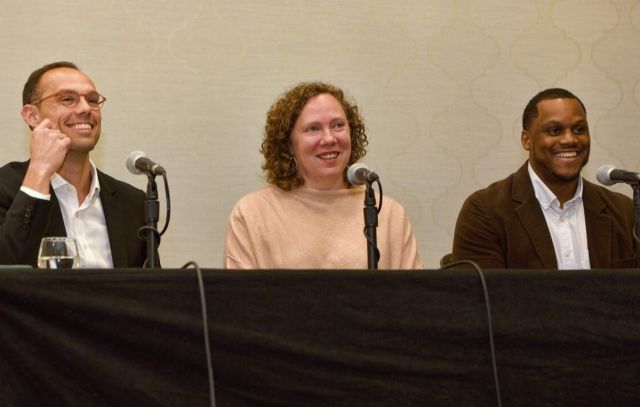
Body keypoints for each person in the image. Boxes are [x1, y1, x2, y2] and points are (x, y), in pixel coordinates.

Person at [224, 82, 422, 269]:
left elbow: (414, 299)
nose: (329, 138)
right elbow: (239, 301)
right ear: (289, 144)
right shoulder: (252, 214)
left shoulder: (389, 214)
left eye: (338, 125)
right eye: (313, 129)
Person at [450, 88, 636, 269]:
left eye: (579, 129)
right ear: (527, 140)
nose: (569, 139)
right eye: (554, 131)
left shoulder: (624, 212)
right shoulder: (485, 211)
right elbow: (481, 297)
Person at [0, 61, 146, 267]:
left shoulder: (132, 202)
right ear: (32, 115)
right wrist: (40, 172)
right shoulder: (5, 188)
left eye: (93, 100)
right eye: (68, 99)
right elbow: (9, 273)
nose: (86, 108)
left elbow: (149, 291)